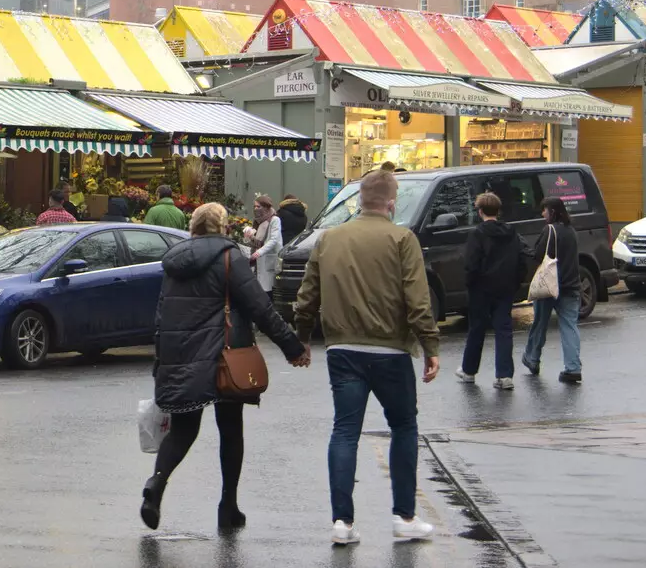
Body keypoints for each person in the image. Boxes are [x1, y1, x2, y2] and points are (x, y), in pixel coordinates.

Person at [294, 168, 439, 546]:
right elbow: (418, 302)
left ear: (358, 202)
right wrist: (430, 346)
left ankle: (342, 523)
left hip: (343, 348)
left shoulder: (328, 239)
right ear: (391, 203)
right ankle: (404, 516)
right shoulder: (402, 239)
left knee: (345, 431)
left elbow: (307, 298)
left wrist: (302, 340)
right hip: (390, 350)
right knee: (404, 427)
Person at [142, 202, 308, 533]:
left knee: (183, 430)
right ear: (222, 226)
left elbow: (162, 315)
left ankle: (156, 484)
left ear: (194, 227)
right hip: (224, 356)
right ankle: (227, 505)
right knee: (230, 430)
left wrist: (160, 361)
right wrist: (292, 345)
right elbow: (260, 307)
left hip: (181, 354)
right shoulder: (229, 257)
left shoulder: (175, 262)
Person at [456, 192, 523, 390]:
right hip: (505, 287)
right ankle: (504, 376)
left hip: (481, 288)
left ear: (480, 211)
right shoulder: (511, 233)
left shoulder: (478, 234)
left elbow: (471, 263)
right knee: (504, 329)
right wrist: (516, 282)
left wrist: (470, 283)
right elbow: (520, 260)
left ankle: (469, 371)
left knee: (477, 328)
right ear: (498, 210)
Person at [523, 197, 583, 385]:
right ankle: (573, 368)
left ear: (553, 212)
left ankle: (532, 359)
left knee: (540, 324)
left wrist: (522, 247)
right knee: (569, 327)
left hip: (550, 287)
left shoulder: (549, 230)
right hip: (572, 286)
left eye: (545, 210)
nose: (542, 214)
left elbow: (538, 255)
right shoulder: (571, 231)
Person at [247, 194, 282, 293]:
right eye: (254, 206)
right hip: (259, 260)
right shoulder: (257, 221)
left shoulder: (274, 220)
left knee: (269, 288)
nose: (256, 209)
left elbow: (273, 240)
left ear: (266, 207)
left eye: (258, 206)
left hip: (270, 257)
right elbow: (258, 240)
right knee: (261, 288)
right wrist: (250, 237)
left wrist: (259, 252)